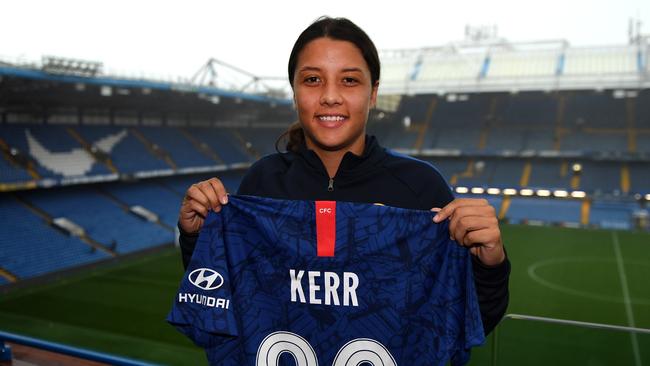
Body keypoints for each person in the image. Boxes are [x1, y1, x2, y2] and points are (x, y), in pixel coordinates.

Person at [177, 16, 509, 337]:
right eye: (312, 80)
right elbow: (224, 306)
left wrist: (489, 265)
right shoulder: (262, 182)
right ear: (294, 91)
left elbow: (468, 322)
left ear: (373, 92)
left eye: (349, 80)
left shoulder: (421, 187)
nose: (330, 96)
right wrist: (197, 238)